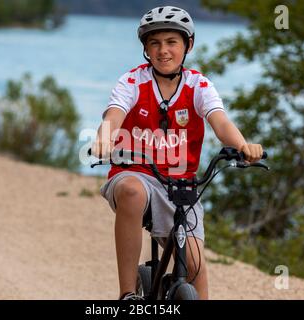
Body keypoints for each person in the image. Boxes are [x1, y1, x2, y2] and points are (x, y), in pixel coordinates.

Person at [91, 6, 263, 300]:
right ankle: (128, 294)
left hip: (180, 185)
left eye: (172, 42)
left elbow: (220, 121)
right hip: (134, 172)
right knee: (132, 190)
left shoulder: (199, 85)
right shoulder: (132, 82)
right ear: (145, 48)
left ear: (188, 45)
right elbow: (114, 116)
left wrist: (243, 145)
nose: (163, 50)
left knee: (196, 267)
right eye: (155, 43)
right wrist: (105, 139)